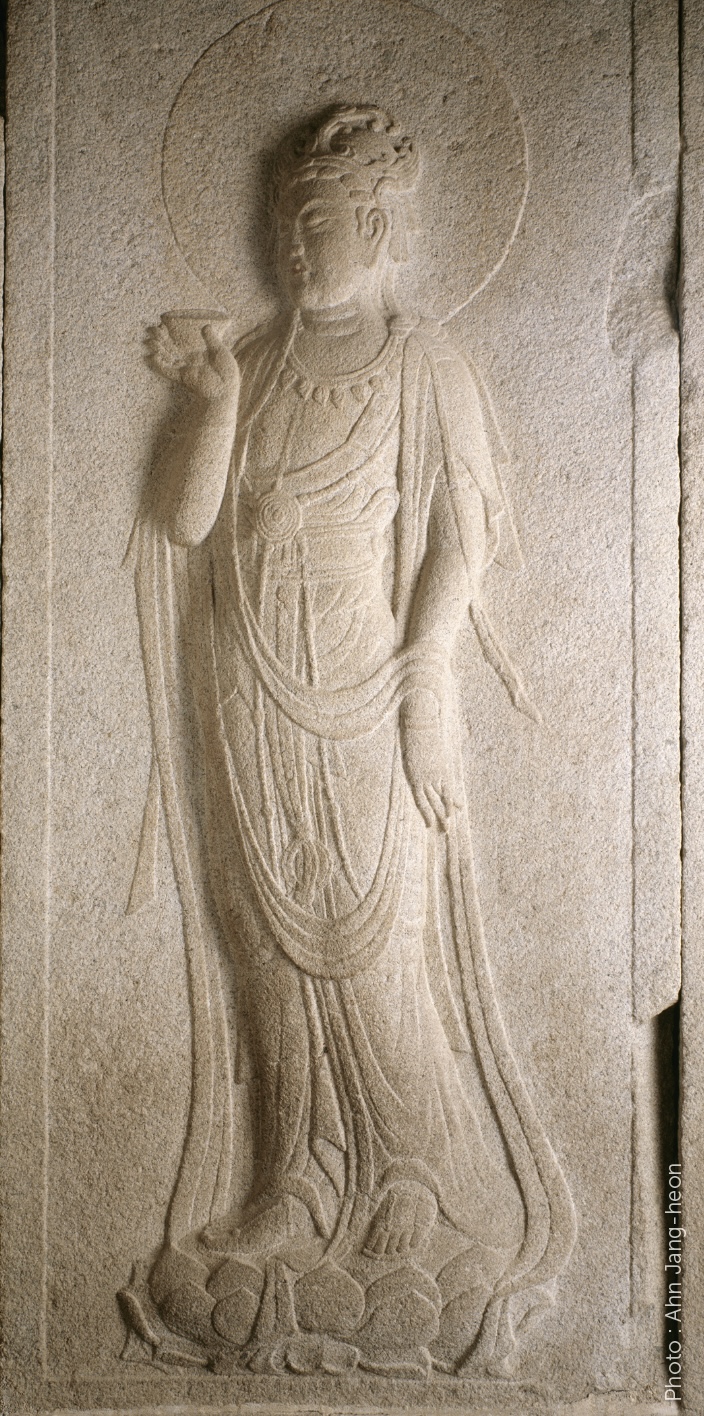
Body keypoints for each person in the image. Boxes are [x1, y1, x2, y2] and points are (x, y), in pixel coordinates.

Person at [125, 105, 575, 1378]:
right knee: (267, 940)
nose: (293, 246)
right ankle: (293, 1179)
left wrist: (427, 675)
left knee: (375, 936)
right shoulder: (254, 362)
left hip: (369, 687)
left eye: (317, 222)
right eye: (283, 223)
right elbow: (188, 520)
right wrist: (212, 402)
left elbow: (458, 539)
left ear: (375, 227)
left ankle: (410, 1183)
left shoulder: (423, 363)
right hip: (249, 691)